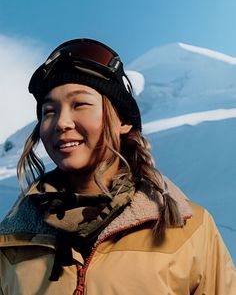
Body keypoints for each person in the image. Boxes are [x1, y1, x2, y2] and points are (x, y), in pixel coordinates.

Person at [0, 38, 235, 295]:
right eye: (49, 111)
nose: (61, 122)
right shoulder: (10, 240)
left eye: (79, 104)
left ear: (122, 121)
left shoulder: (189, 229)